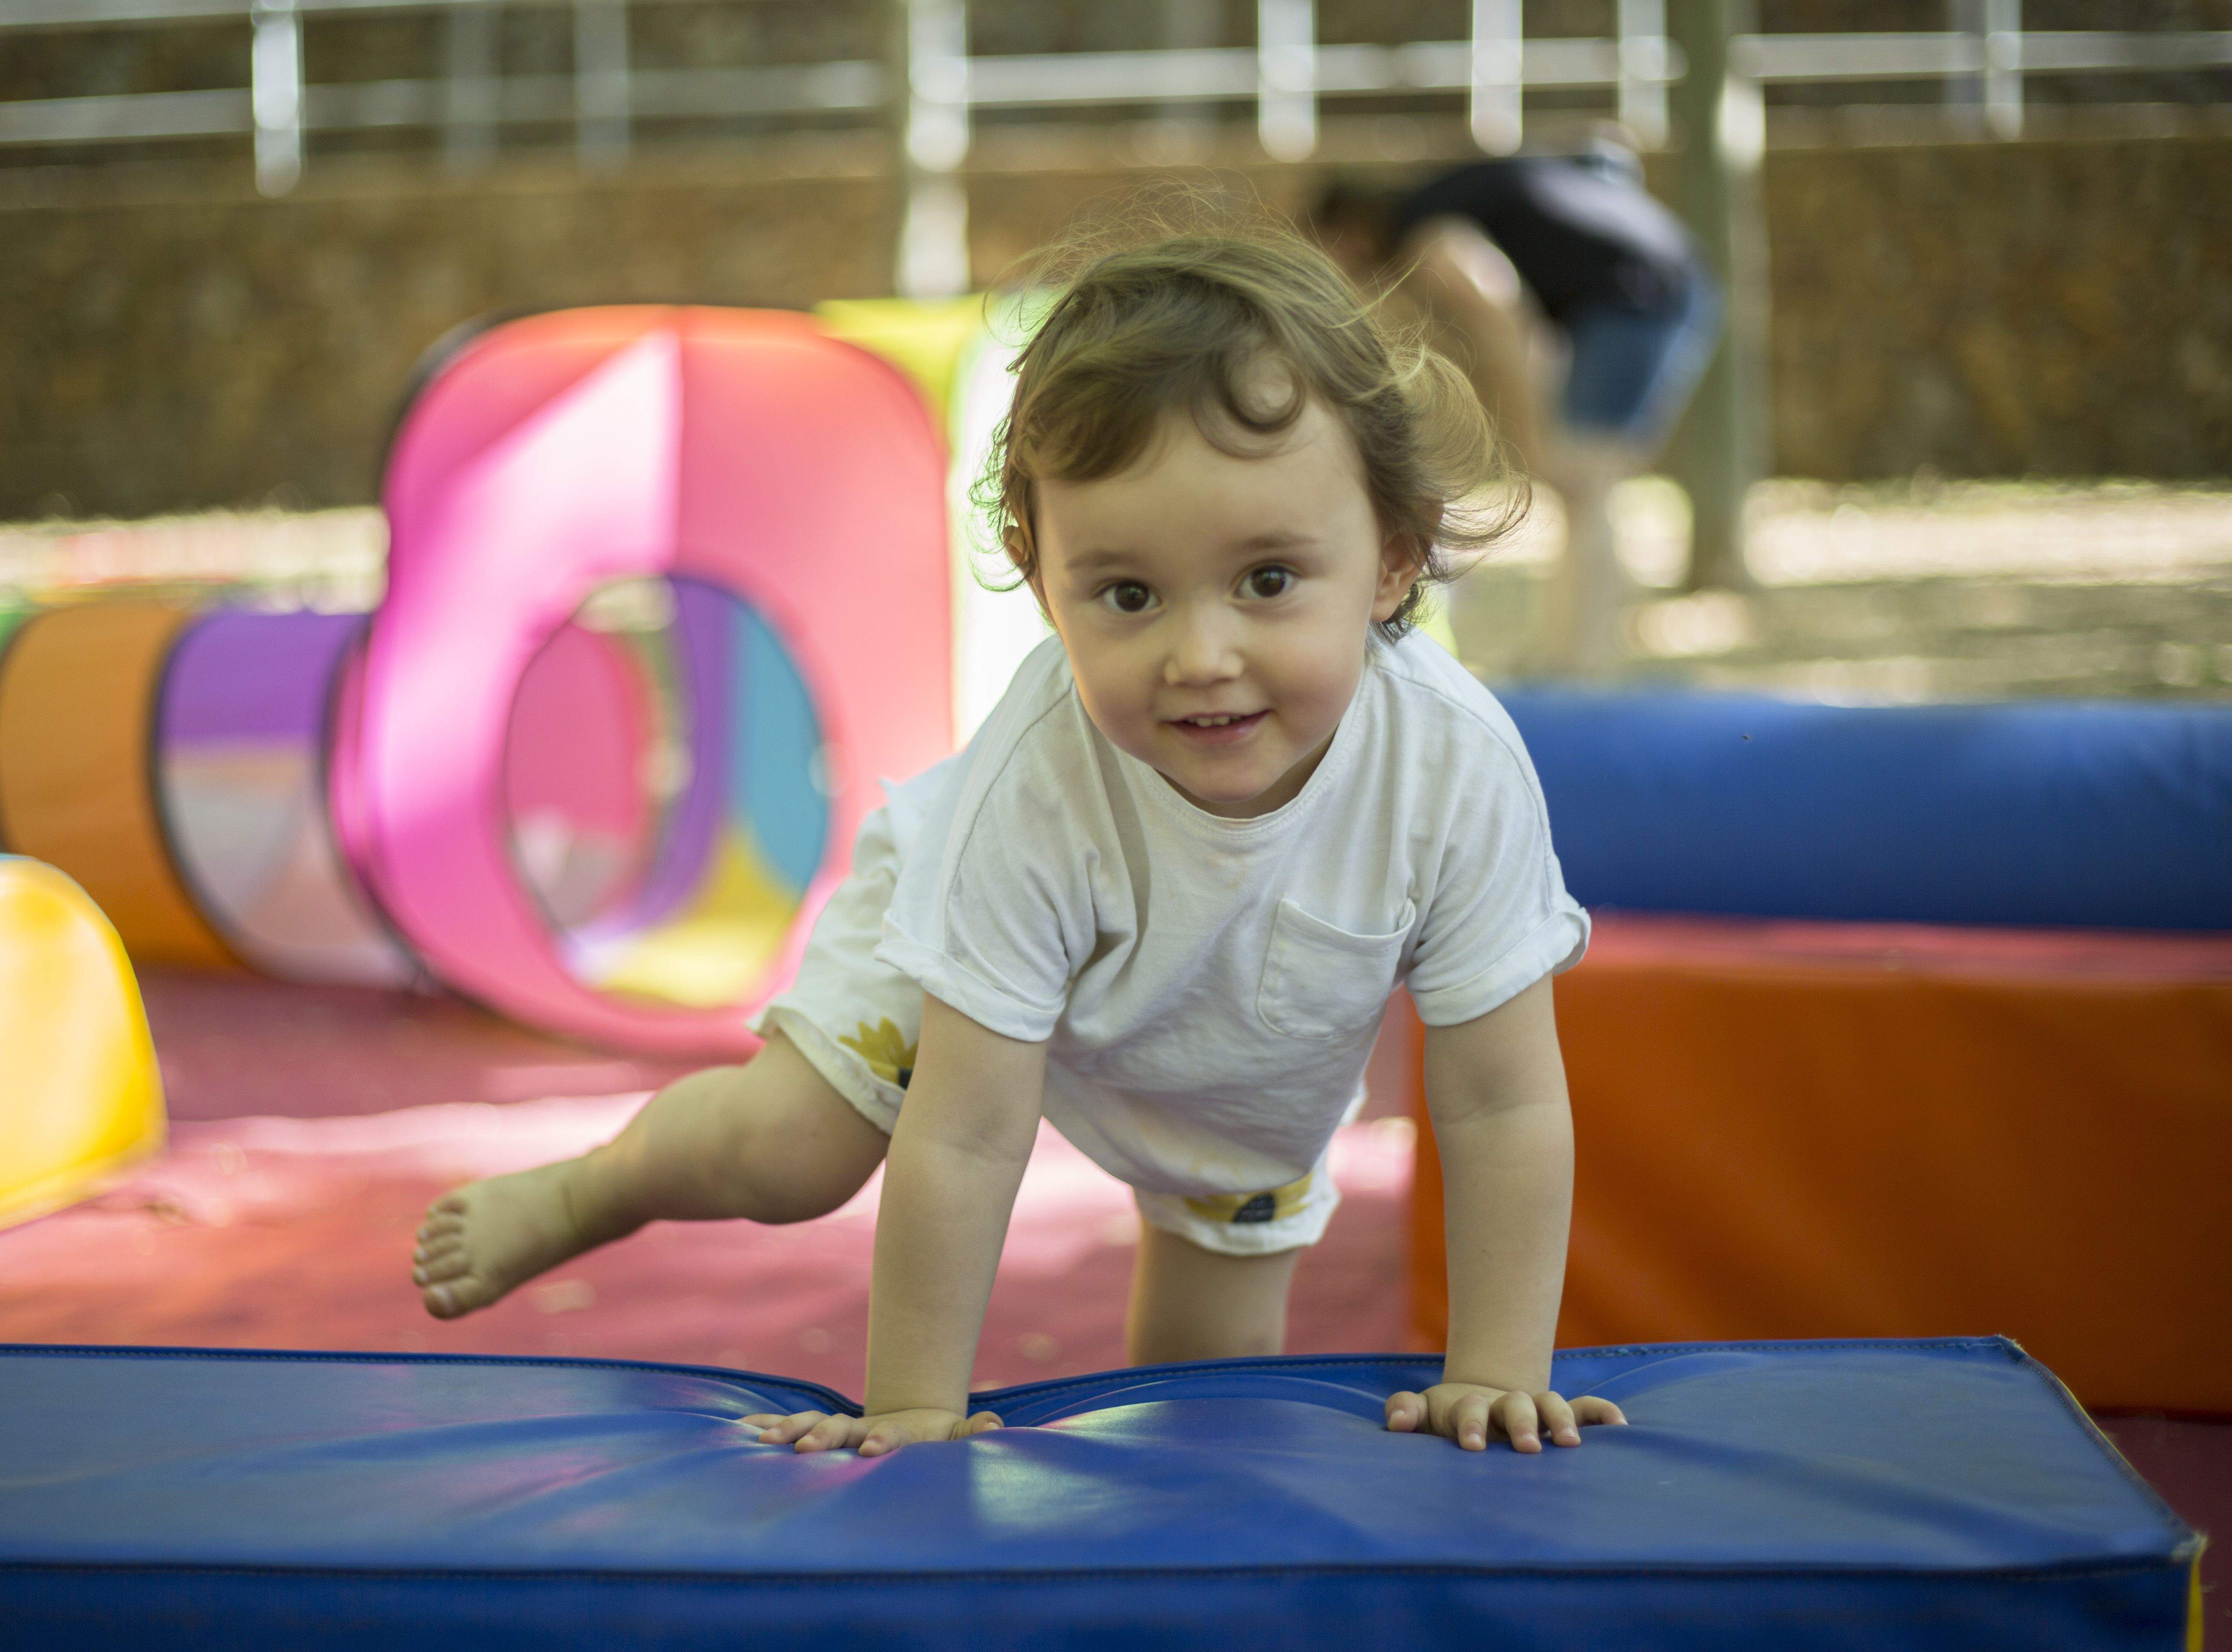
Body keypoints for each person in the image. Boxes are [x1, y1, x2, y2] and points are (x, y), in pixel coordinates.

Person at [411, 222, 1625, 1459]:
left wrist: (1497, 1369)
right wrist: (914, 1409)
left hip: (1241, 1066)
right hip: (982, 954)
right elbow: (968, 1129)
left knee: (1211, 1401)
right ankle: (592, 1189)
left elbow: (1500, 1102)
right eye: (1130, 595)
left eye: (1267, 580)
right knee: (791, 1151)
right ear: (1041, 579)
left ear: (1394, 560)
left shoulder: (1451, 768)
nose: (1201, 656)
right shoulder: (1037, 784)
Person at [1316, 137, 1722, 674]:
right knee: (1587, 486)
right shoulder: (1440, 211)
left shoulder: (1431, 239)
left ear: (1350, 233)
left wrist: (1534, 443)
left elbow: (1510, 330)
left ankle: (1581, 665)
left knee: (1585, 481)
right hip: (1637, 290)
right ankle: (1573, 657)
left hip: (1643, 291)